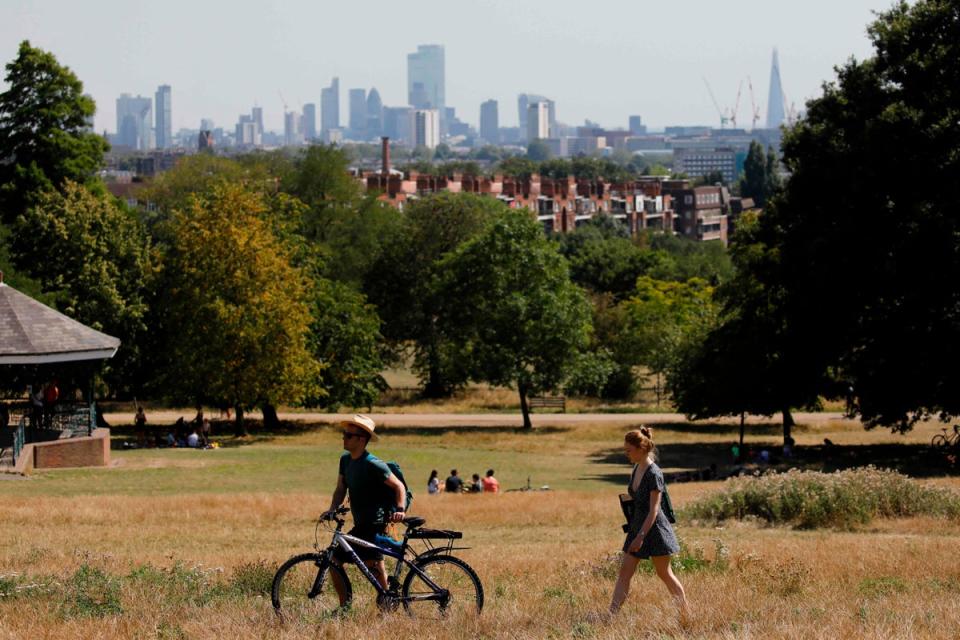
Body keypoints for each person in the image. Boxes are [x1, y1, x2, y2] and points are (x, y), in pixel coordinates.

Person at [324, 414, 407, 603]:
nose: (343, 438)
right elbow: (340, 489)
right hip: (361, 523)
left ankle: (382, 603)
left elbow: (398, 486)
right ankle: (352, 604)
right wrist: (332, 509)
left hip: (374, 524)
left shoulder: (373, 464)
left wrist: (400, 509)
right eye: (344, 434)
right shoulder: (345, 460)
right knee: (342, 561)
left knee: (360, 564)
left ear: (362, 439)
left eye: (348, 435)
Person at [609, 427, 687, 618]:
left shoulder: (654, 473)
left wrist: (641, 537)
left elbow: (654, 510)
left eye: (629, 450)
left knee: (664, 574)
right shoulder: (636, 468)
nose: (626, 454)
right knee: (624, 574)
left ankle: (686, 614)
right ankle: (610, 616)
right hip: (637, 527)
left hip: (655, 530)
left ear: (641, 448)